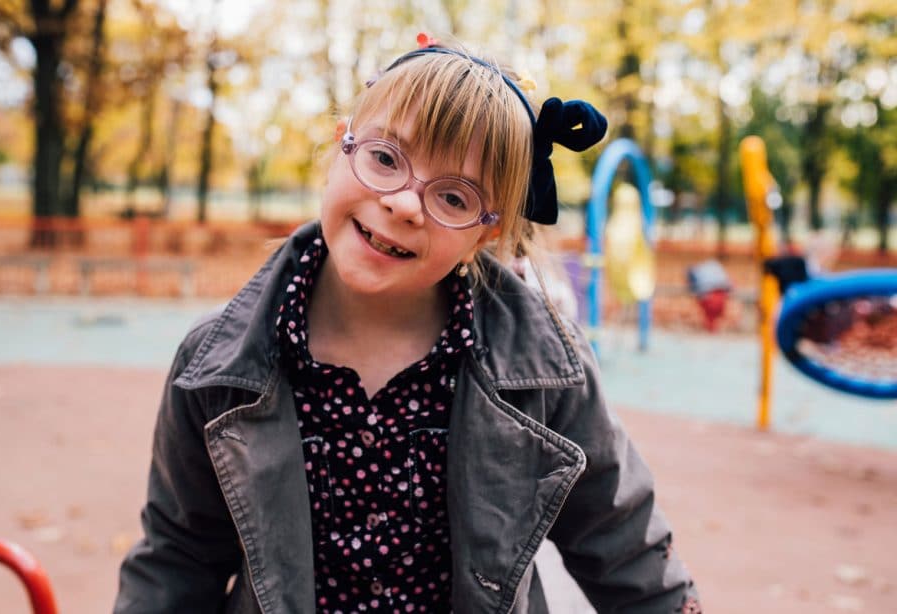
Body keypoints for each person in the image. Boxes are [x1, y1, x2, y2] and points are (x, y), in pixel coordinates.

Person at [114, 35, 701, 614]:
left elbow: (629, 551)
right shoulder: (215, 364)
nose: (403, 204)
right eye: (385, 158)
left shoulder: (546, 369)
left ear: (488, 231)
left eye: (453, 197)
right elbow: (179, 557)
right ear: (343, 142)